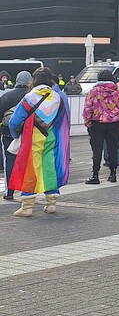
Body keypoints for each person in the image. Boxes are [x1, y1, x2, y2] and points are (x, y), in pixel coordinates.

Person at [7, 68, 71, 216]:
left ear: (34, 80)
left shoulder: (30, 97)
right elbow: (64, 120)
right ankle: (51, 203)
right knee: (50, 167)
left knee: (30, 168)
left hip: (32, 139)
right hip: (52, 138)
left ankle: (27, 206)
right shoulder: (58, 97)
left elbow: (14, 121)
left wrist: (15, 135)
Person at [82, 68, 119, 184]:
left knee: (96, 150)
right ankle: (113, 173)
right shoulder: (118, 91)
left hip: (97, 124)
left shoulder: (94, 91)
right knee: (112, 149)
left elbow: (88, 108)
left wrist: (88, 121)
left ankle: (95, 175)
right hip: (114, 124)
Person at [0, 71, 33, 200]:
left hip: (8, 134)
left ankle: (9, 192)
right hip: (28, 134)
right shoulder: (32, 97)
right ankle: (27, 192)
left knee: (9, 161)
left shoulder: (7, 96)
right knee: (27, 162)